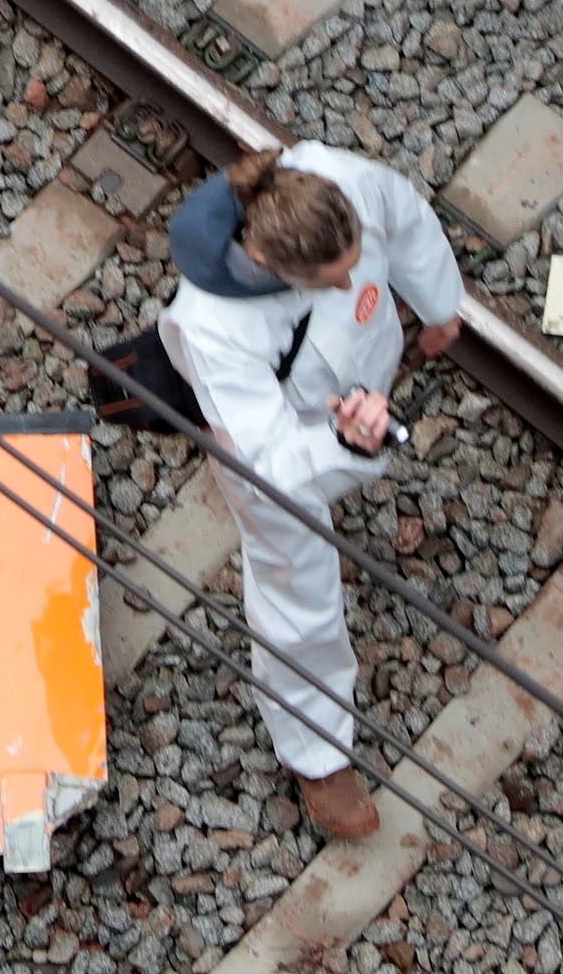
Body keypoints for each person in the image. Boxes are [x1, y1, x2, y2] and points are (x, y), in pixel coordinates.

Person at [158, 139, 467, 842]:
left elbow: (408, 217)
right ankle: (317, 750)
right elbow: (268, 456)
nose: (355, 277)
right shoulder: (214, 328)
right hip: (272, 434)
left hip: (352, 384)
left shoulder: (342, 179)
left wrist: (438, 302)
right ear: (272, 268)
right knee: (293, 572)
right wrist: (346, 446)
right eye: (336, 278)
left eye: (359, 259)